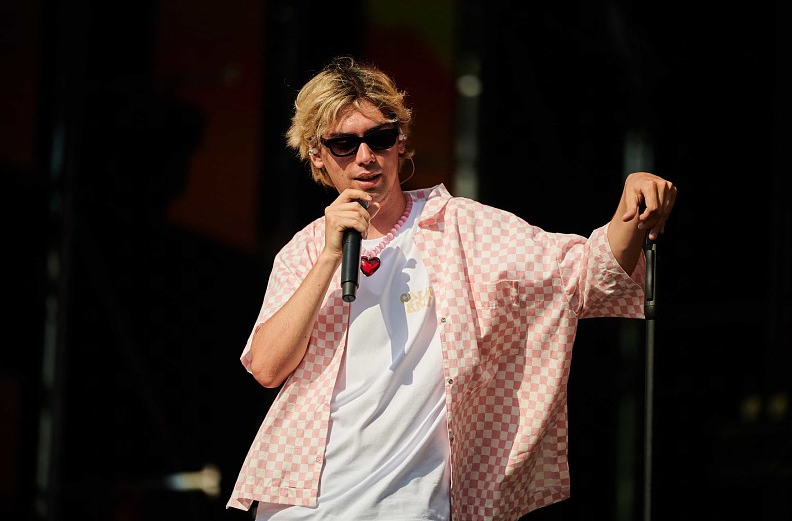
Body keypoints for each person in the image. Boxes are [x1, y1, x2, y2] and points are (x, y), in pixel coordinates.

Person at [226, 56, 677, 520]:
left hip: (411, 505)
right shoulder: (303, 251)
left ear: (400, 142)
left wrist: (632, 206)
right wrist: (328, 257)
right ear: (317, 155)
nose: (365, 157)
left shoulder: (465, 229)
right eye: (343, 144)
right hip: (300, 506)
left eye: (379, 138)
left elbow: (585, 276)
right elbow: (266, 367)